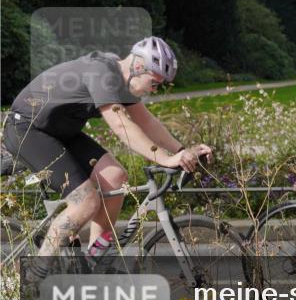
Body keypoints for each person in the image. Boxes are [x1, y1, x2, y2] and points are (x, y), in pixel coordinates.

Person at [3, 37, 211, 275]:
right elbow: (121, 125)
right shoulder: (102, 74)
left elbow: (146, 121)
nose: (154, 90)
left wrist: (181, 151)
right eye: (154, 83)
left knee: (116, 178)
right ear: (138, 67)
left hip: (60, 132)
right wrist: (164, 159)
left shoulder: (121, 78)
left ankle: (96, 261)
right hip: (28, 130)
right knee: (85, 202)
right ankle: (33, 276)